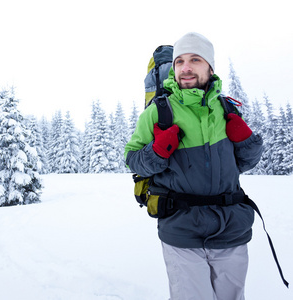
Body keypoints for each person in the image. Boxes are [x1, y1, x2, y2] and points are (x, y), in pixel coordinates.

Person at [124, 32, 263, 300]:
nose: (186, 68)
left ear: (210, 67)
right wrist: (157, 151)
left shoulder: (226, 109)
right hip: (182, 229)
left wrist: (246, 141)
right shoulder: (158, 111)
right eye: (180, 62)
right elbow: (133, 159)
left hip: (230, 227)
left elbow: (245, 163)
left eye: (195, 60)